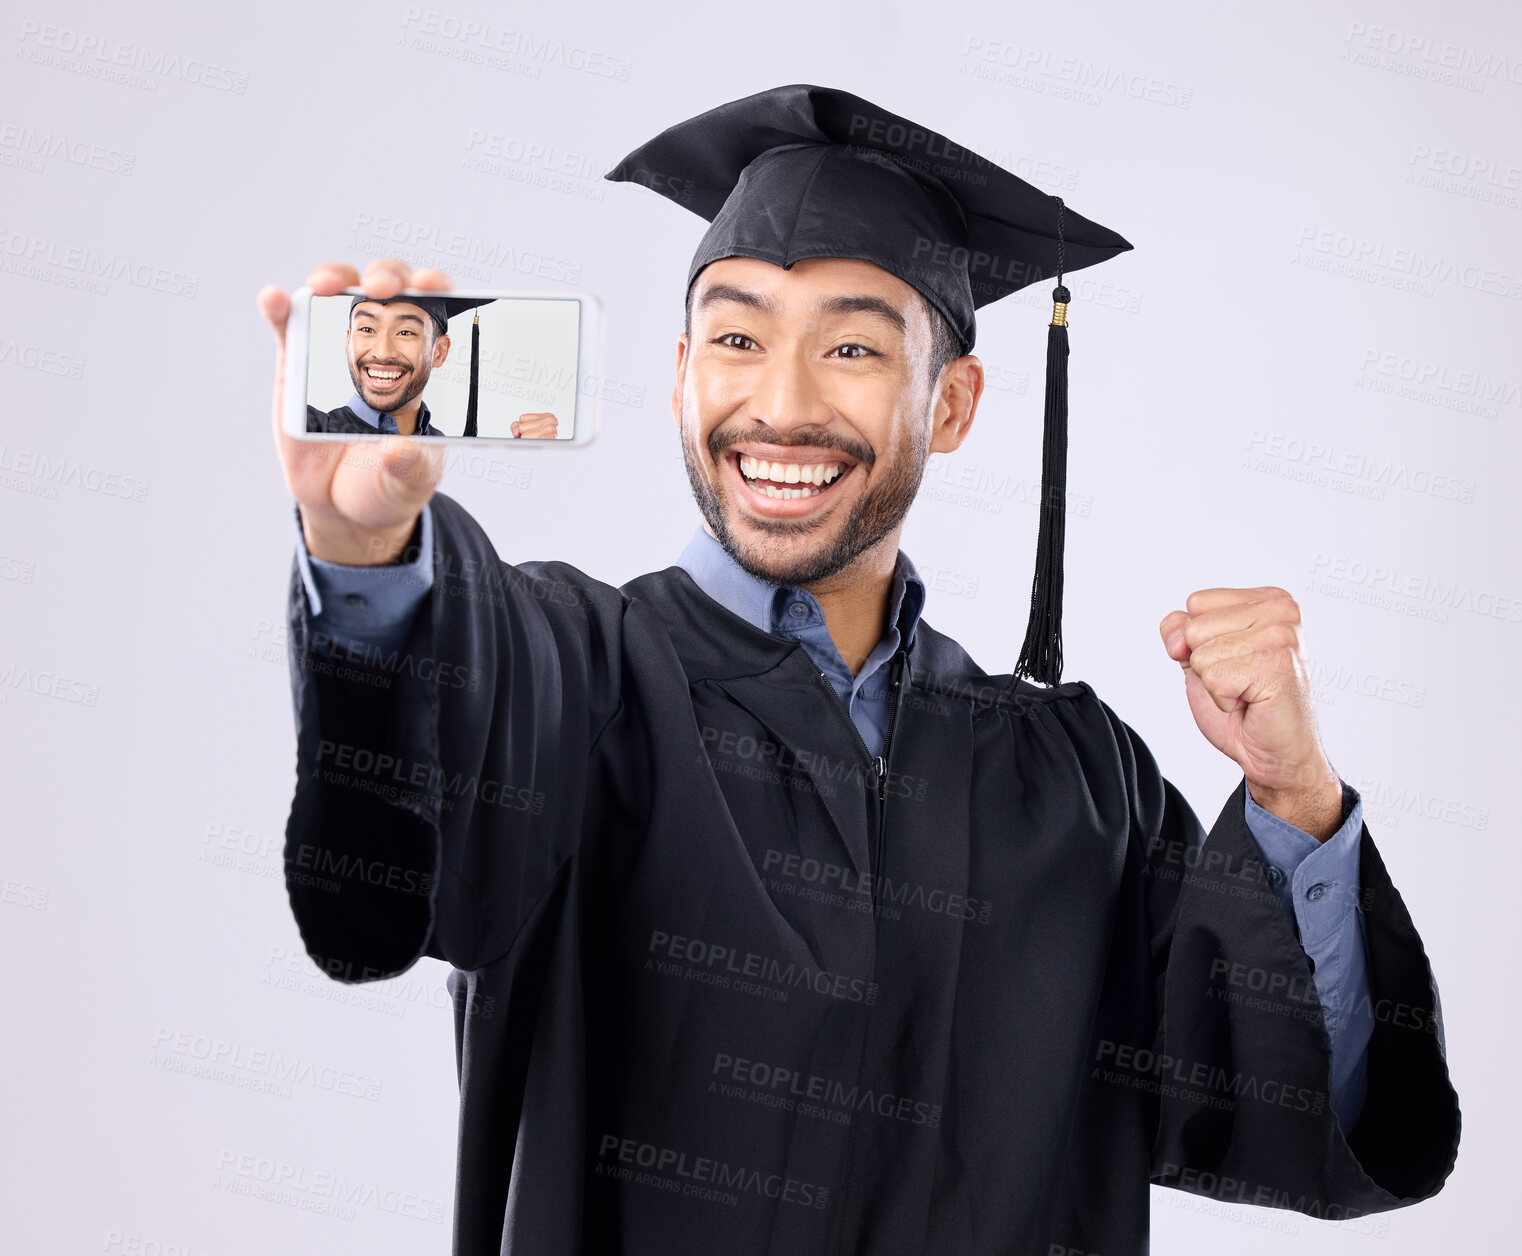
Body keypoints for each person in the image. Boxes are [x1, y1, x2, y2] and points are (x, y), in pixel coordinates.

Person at [260, 84, 1457, 1256]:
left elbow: (1279, 1111)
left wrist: (1293, 796)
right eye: (735, 338)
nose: (778, 404)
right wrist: (366, 555)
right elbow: (388, 853)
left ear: (952, 404)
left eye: (849, 347)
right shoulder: (578, 674)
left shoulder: (1073, 781)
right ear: (681, 374)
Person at [305, 293, 559, 438]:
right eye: (367, 329)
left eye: (405, 332)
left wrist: (534, 461)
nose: (382, 352)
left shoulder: (453, 455)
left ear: (440, 351)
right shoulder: (307, 429)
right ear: (349, 341)